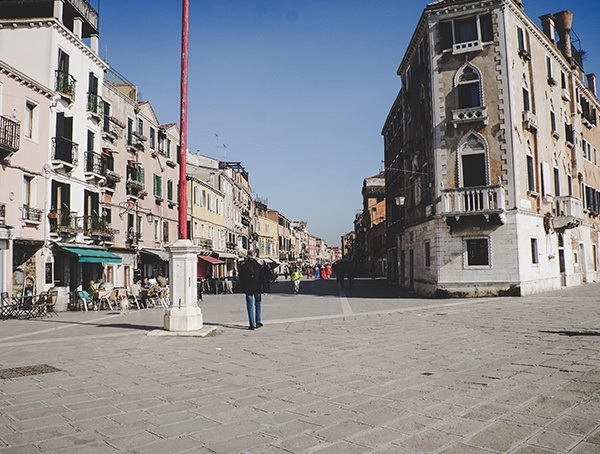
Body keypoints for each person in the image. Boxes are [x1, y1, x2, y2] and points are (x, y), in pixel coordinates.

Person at [238, 251, 269, 330]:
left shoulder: (244, 266)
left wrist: (242, 288)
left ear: (248, 256)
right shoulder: (258, 265)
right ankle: (258, 322)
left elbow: (241, 278)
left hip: (248, 289)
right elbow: (263, 278)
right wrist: (265, 289)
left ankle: (252, 324)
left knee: (250, 306)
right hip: (257, 288)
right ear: (254, 256)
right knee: (258, 305)